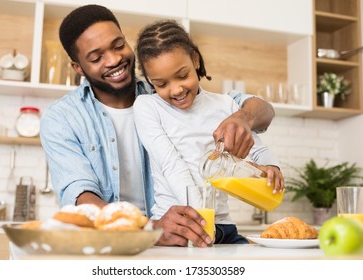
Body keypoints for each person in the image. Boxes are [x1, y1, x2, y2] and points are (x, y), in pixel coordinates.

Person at [40, 4, 275, 248]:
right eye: (97, 58)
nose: (114, 59)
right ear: (78, 67)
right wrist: (148, 229)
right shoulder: (62, 118)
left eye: (119, 45)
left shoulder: (162, 90)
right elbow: (81, 198)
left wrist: (243, 118)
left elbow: (261, 109)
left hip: (183, 235)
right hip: (112, 243)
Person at [133, 19, 284, 244]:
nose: (176, 89)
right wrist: (202, 220)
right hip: (179, 230)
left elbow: (257, 148)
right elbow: (171, 165)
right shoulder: (147, 107)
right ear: (150, 81)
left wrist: (271, 166)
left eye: (183, 75)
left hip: (223, 228)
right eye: (161, 84)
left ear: (195, 59)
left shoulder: (225, 105)